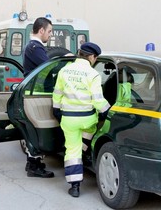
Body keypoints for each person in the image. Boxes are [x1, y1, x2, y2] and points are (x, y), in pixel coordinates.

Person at [52, 42, 110, 197]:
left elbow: (57, 93)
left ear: (79, 52)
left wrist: (56, 110)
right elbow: (98, 100)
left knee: (72, 150)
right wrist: (108, 112)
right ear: (92, 57)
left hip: (69, 119)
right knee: (89, 131)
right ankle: (84, 152)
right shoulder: (93, 74)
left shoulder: (64, 71)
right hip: (87, 119)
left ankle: (75, 186)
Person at [22, 17, 54, 178]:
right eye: (49, 31)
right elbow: (49, 67)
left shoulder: (33, 47)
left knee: (33, 130)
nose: (50, 35)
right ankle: (34, 166)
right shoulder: (36, 47)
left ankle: (32, 163)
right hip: (36, 94)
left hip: (33, 94)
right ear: (41, 30)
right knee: (36, 131)